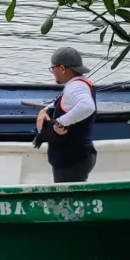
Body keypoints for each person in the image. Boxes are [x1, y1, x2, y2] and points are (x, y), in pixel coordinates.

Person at [37, 45, 98, 183]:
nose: (52, 72)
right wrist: (45, 110)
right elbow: (66, 103)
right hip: (79, 155)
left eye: (53, 68)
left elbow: (87, 106)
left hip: (71, 159)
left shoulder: (75, 87)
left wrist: (60, 122)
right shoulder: (79, 84)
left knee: (67, 203)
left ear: (62, 69)